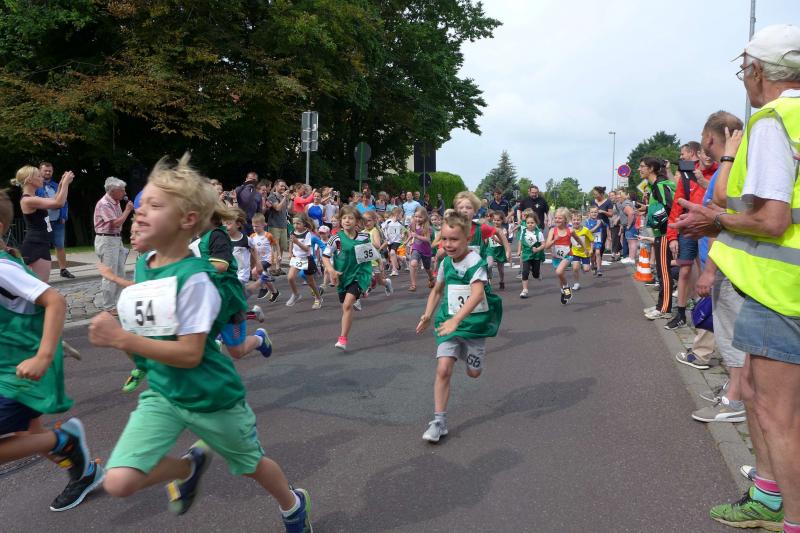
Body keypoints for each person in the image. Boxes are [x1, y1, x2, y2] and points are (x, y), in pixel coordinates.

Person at [88, 155, 310, 531]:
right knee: (118, 480)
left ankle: (293, 504)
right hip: (163, 394)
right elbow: (144, 336)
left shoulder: (194, 278)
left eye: (154, 205)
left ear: (187, 220)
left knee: (252, 466)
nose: (140, 212)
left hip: (211, 398)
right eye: (141, 204)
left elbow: (190, 354)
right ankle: (187, 468)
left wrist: (121, 338)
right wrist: (125, 339)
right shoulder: (144, 265)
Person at [671, 25, 800, 532]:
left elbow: (772, 219)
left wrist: (716, 221)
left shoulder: (772, 121)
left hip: (776, 290)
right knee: (763, 402)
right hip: (781, 287)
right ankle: (766, 496)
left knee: (775, 415)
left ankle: (788, 517)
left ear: (758, 71)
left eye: (744, 69)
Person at [0, 189, 104, 512]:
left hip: (23, 370)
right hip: (10, 368)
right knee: (30, 434)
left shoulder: (2, 268)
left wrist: (44, 356)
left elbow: (55, 300)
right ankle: (85, 472)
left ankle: (66, 441)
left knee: (32, 436)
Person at [415, 210, 502, 443]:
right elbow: (437, 290)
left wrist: (458, 320)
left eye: (454, 239)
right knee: (443, 369)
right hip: (448, 323)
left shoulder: (475, 262)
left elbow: (477, 294)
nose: (448, 244)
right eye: (444, 239)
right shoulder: (445, 262)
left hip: (473, 326)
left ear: (467, 239)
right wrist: (427, 315)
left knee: (474, 373)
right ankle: (439, 422)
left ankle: (469, 353)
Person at [683, 110, 747, 425]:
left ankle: (736, 399)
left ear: (709, 138)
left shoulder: (729, 170)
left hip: (726, 265)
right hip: (729, 263)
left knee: (731, 333)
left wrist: (709, 271)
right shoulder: (737, 167)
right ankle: (736, 389)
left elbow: (723, 223)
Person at [665, 141, 714, 331]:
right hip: (689, 227)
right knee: (685, 270)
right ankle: (680, 313)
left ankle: (704, 313)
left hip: (711, 228)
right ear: (699, 154)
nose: (708, 156)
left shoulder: (721, 171)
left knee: (706, 270)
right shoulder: (687, 175)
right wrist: (672, 236)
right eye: (704, 153)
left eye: (711, 152)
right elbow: (677, 206)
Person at [322, 206, 373, 350]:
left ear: (357, 221)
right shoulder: (336, 238)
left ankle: (343, 339)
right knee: (345, 307)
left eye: (350, 218)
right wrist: (331, 270)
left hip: (359, 275)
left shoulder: (364, 237)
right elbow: (325, 257)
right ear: (340, 221)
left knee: (347, 305)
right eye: (344, 218)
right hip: (343, 276)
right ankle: (358, 296)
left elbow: (368, 257)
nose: (347, 221)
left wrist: (373, 272)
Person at [13, 166, 75, 282]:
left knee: (38, 286)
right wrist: (66, 183)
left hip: (40, 244)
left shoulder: (33, 198)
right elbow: (59, 203)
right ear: (29, 180)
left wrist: (61, 183)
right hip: (36, 246)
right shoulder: (28, 200)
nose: (42, 178)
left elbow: (55, 198)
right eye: (39, 176)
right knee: (41, 286)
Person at [640, 158, 675, 320]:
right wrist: (648, 208)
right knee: (661, 272)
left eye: (642, 166)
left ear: (651, 168)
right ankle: (661, 305)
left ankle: (665, 309)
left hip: (665, 233)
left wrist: (656, 221)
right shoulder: (655, 186)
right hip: (661, 233)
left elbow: (670, 207)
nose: (639, 169)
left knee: (664, 272)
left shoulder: (660, 185)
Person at [94, 177, 135, 314]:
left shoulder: (116, 202)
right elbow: (116, 223)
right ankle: (109, 306)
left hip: (115, 239)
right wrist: (127, 210)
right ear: (112, 191)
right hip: (107, 240)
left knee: (120, 272)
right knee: (110, 274)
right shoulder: (104, 204)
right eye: (122, 190)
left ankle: (119, 303)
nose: (125, 192)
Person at [36, 162, 74, 278]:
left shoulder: (56, 185)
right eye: (45, 170)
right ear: (40, 171)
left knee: (60, 245)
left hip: (58, 221)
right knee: (43, 246)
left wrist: (63, 216)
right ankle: (42, 271)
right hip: (44, 221)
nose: (48, 172)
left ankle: (63, 269)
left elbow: (64, 201)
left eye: (50, 171)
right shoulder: (36, 186)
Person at [285, 213, 323, 310]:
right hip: (296, 258)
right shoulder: (293, 232)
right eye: (294, 223)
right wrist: (290, 252)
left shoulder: (307, 234)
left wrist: (297, 242)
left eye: (298, 223)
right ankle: (296, 294)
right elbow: (291, 242)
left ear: (304, 224)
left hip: (306, 259)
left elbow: (306, 249)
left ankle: (318, 298)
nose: (295, 225)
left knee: (310, 282)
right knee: (290, 277)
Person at [543, 207, 574, 304]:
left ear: (565, 219)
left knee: (559, 272)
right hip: (556, 256)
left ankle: (566, 288)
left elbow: (577, 239)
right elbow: (547, 246)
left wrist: (585, 248)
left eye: (560, 218)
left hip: (567, 255)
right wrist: (554, 240)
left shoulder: (570, 230)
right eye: (556, 218)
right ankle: (562, 291)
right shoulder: (552, 230)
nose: (557, 220)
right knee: (560, 275)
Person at [251, 213, 280, 302]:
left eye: (257, 226)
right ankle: (274, 292)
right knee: (263, 276)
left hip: (267, 259)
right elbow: (251, 249)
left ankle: (264, 288)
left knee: (254, 272)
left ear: (263, 225)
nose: (255, 228)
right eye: (253, 226)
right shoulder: (252, 236)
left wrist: (278, 255)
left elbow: (275, 245)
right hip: (258, 260)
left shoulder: (268, 235)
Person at [516, 211, 545, 299]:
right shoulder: (523, 231)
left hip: (536, 255)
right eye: (528, 223)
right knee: (525, 272)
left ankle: (537, 274)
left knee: (535, 274)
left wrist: (537, 249)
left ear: (536, 223)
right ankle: (525, 290)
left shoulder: (539, 233)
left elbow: (543, 244)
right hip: (526, 254)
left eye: (532, 222)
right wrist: (519, 250)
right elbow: (520, 241)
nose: (530, 224)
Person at [405, 207, 435, 292]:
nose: (417, 219)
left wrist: (417, 236)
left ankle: (431, 278)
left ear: (425, 217)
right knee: (413, 263)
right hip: (416, 248)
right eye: (416, 216)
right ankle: (413, 284)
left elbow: (427, 239)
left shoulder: (427, 227)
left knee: (427, 268)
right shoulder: (413, 225)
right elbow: (412, 235)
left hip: (426, 250)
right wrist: (406, 241)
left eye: (420, 217)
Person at [266, 180, 290, 275]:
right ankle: (272, 268)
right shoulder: (272, 197)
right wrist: (284, 197)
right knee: (274, 247)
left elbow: (288, 209)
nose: (283, 188)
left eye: (284, 186)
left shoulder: (285, 197)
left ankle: (278, 267)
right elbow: (278, 208)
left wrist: (289, 198)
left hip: (283, 225)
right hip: (274, 225)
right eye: (281, 186)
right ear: (276, 186)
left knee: (282, 246)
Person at [568, 211, 594, 291]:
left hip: (585, 252)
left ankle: (583, 266)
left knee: (586, 269)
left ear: (581, 220)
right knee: (575, 268)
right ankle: (576, 283)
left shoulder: (585, 230)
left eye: (578, 220)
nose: (576, 221)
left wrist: (591, 249)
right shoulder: (569, 230)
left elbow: (592, 240)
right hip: (575, 252)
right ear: (571, 221)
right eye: (574, 220)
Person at [485, 211, 512, 290]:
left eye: (498, 220)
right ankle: (489, 281)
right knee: (489, 265)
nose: (496, 222)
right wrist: (485, 241)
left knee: (501, 270)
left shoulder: (503, 230)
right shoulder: (489, 228)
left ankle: (502, 280)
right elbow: (486, 240)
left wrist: (495, 238)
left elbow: (503, 243)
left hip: (500, 250)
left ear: (502, 220)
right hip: (490, 250)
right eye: (494, 220)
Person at [382, 207, 406, 276]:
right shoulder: (388, 221)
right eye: (401, 215)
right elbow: (382, 228)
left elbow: (403, 230)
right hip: (390, 241)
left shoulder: (400, 223)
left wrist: (402, 235)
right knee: (391, 254)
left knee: (392, 253)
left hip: (397, 241)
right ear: (396, 214)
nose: (402, 216)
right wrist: (386, 236)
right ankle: (402, 259)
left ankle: (394, 270)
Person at [584, 206, 605, 276]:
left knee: (598, 253)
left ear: (598, 213)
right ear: (589, 213)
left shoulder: (600, 221)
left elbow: (606, 227)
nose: (594, 213)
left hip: (597, 239)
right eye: (592, 212)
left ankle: (599, 269)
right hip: (590, 240)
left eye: (595, 212)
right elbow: (589, 231)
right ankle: (592, 265)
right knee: (592, 255)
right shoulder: (587, 221)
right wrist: (597, 225)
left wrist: (608, 236)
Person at [591, 186, 613, 253]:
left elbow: (611, 214)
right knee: (594, 243)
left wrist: (603, 211)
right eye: (594, 194)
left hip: (603, 226)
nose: (595, 196)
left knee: (601, 243)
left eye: (596, 194)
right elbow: (590, 212)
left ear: (601, 194)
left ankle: (599, 257)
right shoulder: (593, 201)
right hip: (594, 225)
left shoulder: (608, 202)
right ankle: (594, 258)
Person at [620, 190, 639, 264]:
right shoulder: (626, 202)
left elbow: (631, 213)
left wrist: (629, 225)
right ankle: (631, 257)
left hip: (632, 226)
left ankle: (632, 258)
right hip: (632, 225)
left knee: (632, 242)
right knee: (630, 241)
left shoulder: (625, 203)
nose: (618, 198)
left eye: (620, 196)